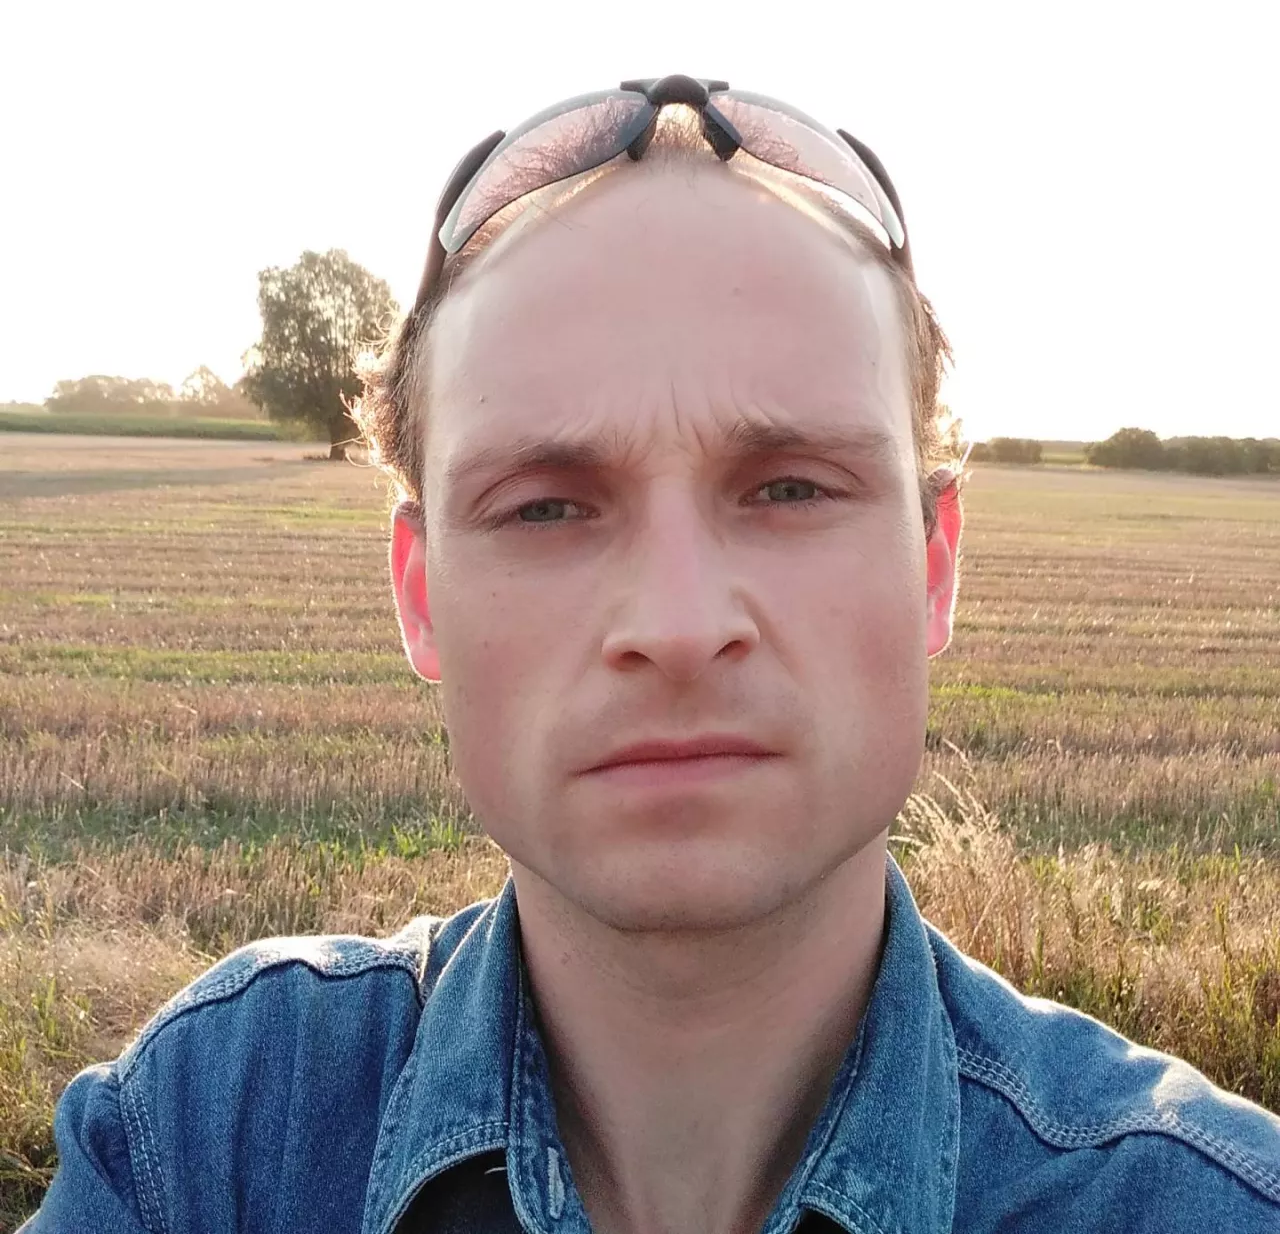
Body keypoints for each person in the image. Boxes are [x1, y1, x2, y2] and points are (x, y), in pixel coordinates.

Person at [28, 77, 1280, 1233]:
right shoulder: (207, 1135)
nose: (678, 626)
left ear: (932, 564)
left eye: (790, 488)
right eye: (544, 507)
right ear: (419, 594)